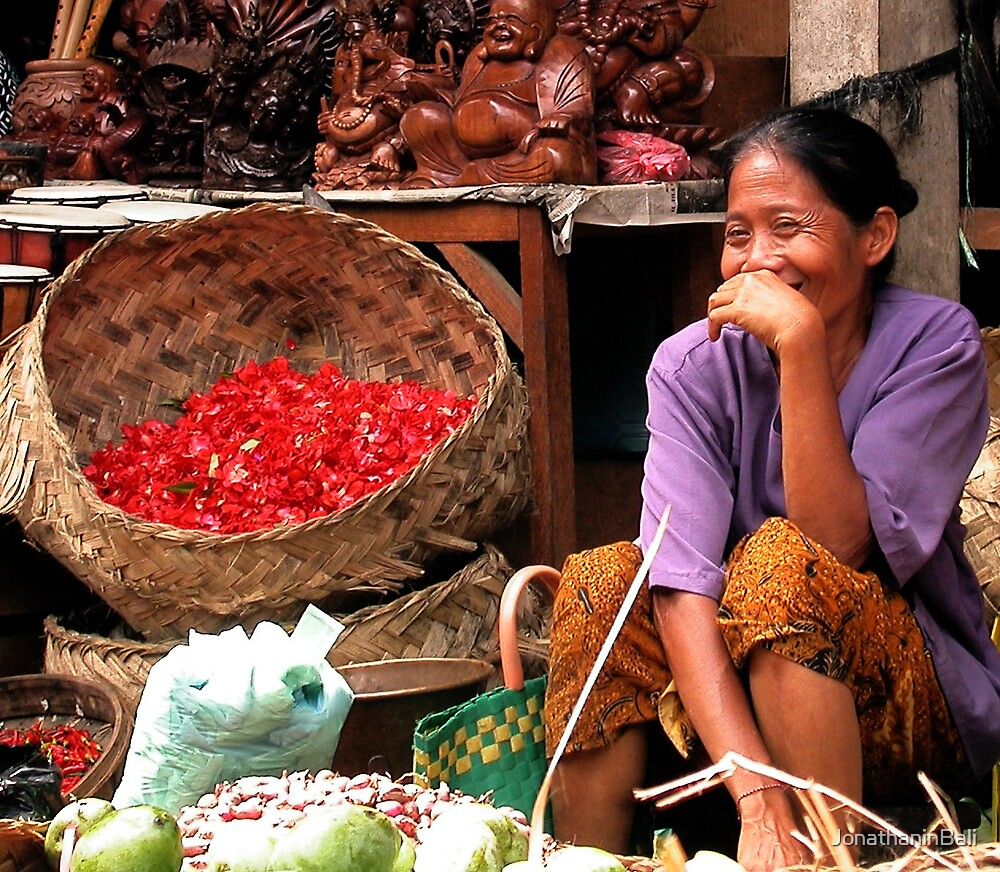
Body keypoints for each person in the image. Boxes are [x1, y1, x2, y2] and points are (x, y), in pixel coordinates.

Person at [544, 107, 1000, 872]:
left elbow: (839, 546)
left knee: (781, 560)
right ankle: (582, 860)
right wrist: (755, 796)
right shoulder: (692, 364)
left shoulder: (938, 345)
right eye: (737, 233)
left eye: (788, 227)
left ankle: (831, 859)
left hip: (906, 702)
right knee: (599, 584)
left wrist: (799, 347)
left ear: (875, 236)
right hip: (728, 714)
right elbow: (680, 584)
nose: (758, 259)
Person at [399, 0, 596, 187]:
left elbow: (580, 111)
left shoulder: (562, 51)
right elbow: (459, 101)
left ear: (536, 33)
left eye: (511, 20)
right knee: (419, 117)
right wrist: (432, 90)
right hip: (461, 154)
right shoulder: (478, 59)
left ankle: (474, 175)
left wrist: (563, 117)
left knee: (555, 156)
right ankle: (444, 174)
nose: (499, 26)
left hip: (524, 151)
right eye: (493, 21)